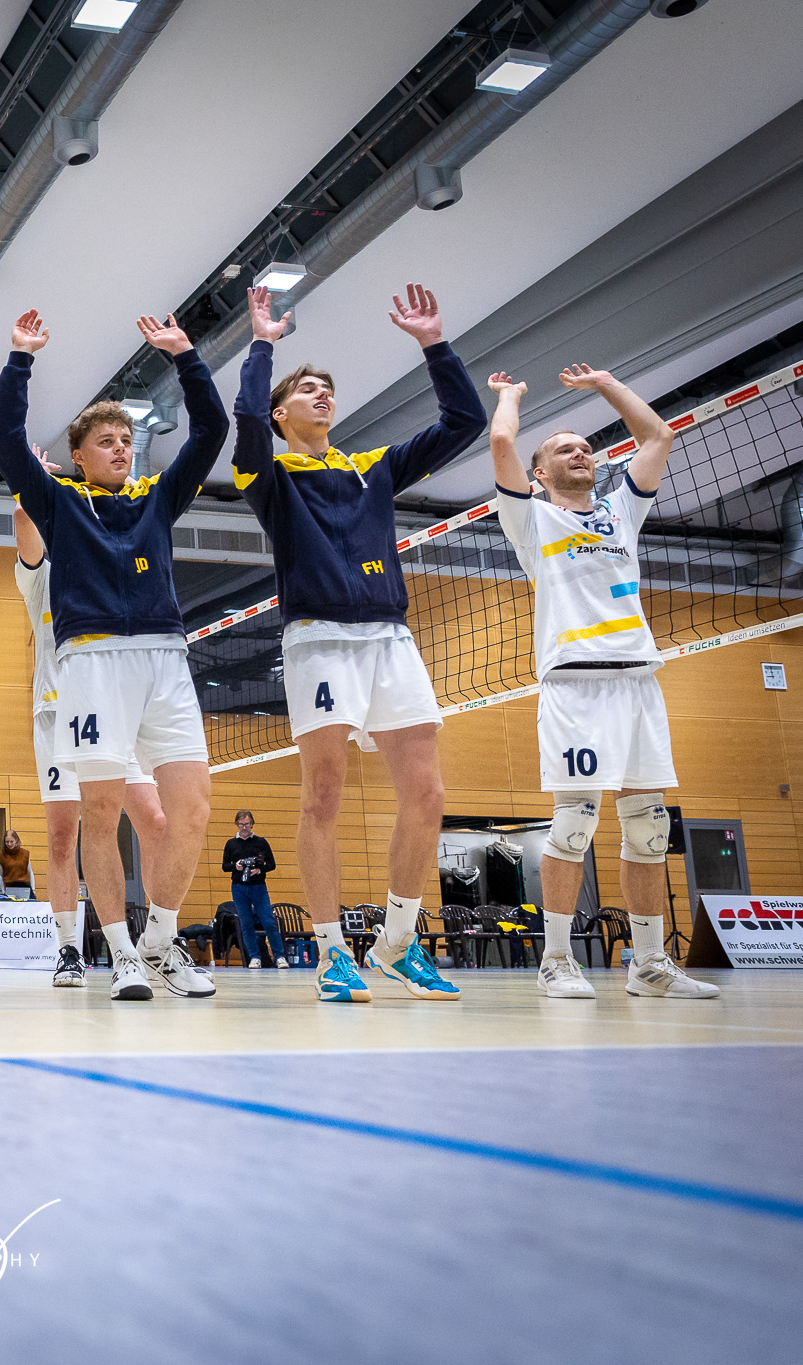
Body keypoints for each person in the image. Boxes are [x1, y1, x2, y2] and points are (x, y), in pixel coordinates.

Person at [235, 282, 486, 1003]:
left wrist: (434, 343)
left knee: (429, 793)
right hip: (319, 642)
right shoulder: (271, 474)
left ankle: (398, 943)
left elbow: (463, 419)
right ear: (283, 413)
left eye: (326, 390)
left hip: (390, 639)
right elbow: (245, 418)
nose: (321, 395)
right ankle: (330, 950)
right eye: (305, 390)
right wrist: (262, 345)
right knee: (323, 795)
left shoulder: (371, 466)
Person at [0, 307, 228, 1002]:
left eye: (127, 438)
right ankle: (119, 952)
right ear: (81, 454)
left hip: (165, 659)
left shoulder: (159, 497)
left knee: (191, 811)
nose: (122, 447)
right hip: (91, 665)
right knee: (98, 815)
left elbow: (211, 430)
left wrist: (186, 355)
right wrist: (20, 359)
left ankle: (159, 940)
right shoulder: (60, 503)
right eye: (107, 440)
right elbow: (3, 437)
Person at [487, 367, 718, 1000]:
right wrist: (510, 396)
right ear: (540, 474)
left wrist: (609, 387)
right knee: (574, 825)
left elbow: (658, 437)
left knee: (649, 828)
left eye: (586, 446)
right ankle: (556, 961)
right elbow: (502, 446)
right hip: (575, 687)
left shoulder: (620, 512)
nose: (580, 451)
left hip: (639, 682)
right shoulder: (532, 520)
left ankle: (648, 965)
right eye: (563, 448)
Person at [12, 501, 168, 988]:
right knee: (64, 835)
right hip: (59, 714)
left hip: (119, 711)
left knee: (156, 821)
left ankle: (160, 941)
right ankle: (68, 950)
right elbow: (25, 527)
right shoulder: (45, 573)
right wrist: (26, 489)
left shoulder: (115, 562)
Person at [222, 809, 288, 969]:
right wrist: (235, 866)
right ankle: (254, 957)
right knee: (246, 923)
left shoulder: (261, 842)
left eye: (247, 824)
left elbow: (272, 864)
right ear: (237, 824)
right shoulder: (231, 844)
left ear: (252, 824)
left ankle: (279, 956)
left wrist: (260, 870)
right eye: (241, 824)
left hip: (258, 887)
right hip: (239, 888)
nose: (244, 827)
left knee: (268, 921)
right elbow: (224, 866)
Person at [0, 830, 31, 895]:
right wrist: (3, 892)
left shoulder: (25, 853)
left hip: (25, 887)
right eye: (7, 842)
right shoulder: (1, 856)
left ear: (16, 841)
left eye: (11, 841)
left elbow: (30, 872)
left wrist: (33, 888)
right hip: (10, 887)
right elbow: (0, 875)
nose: (9, 844)